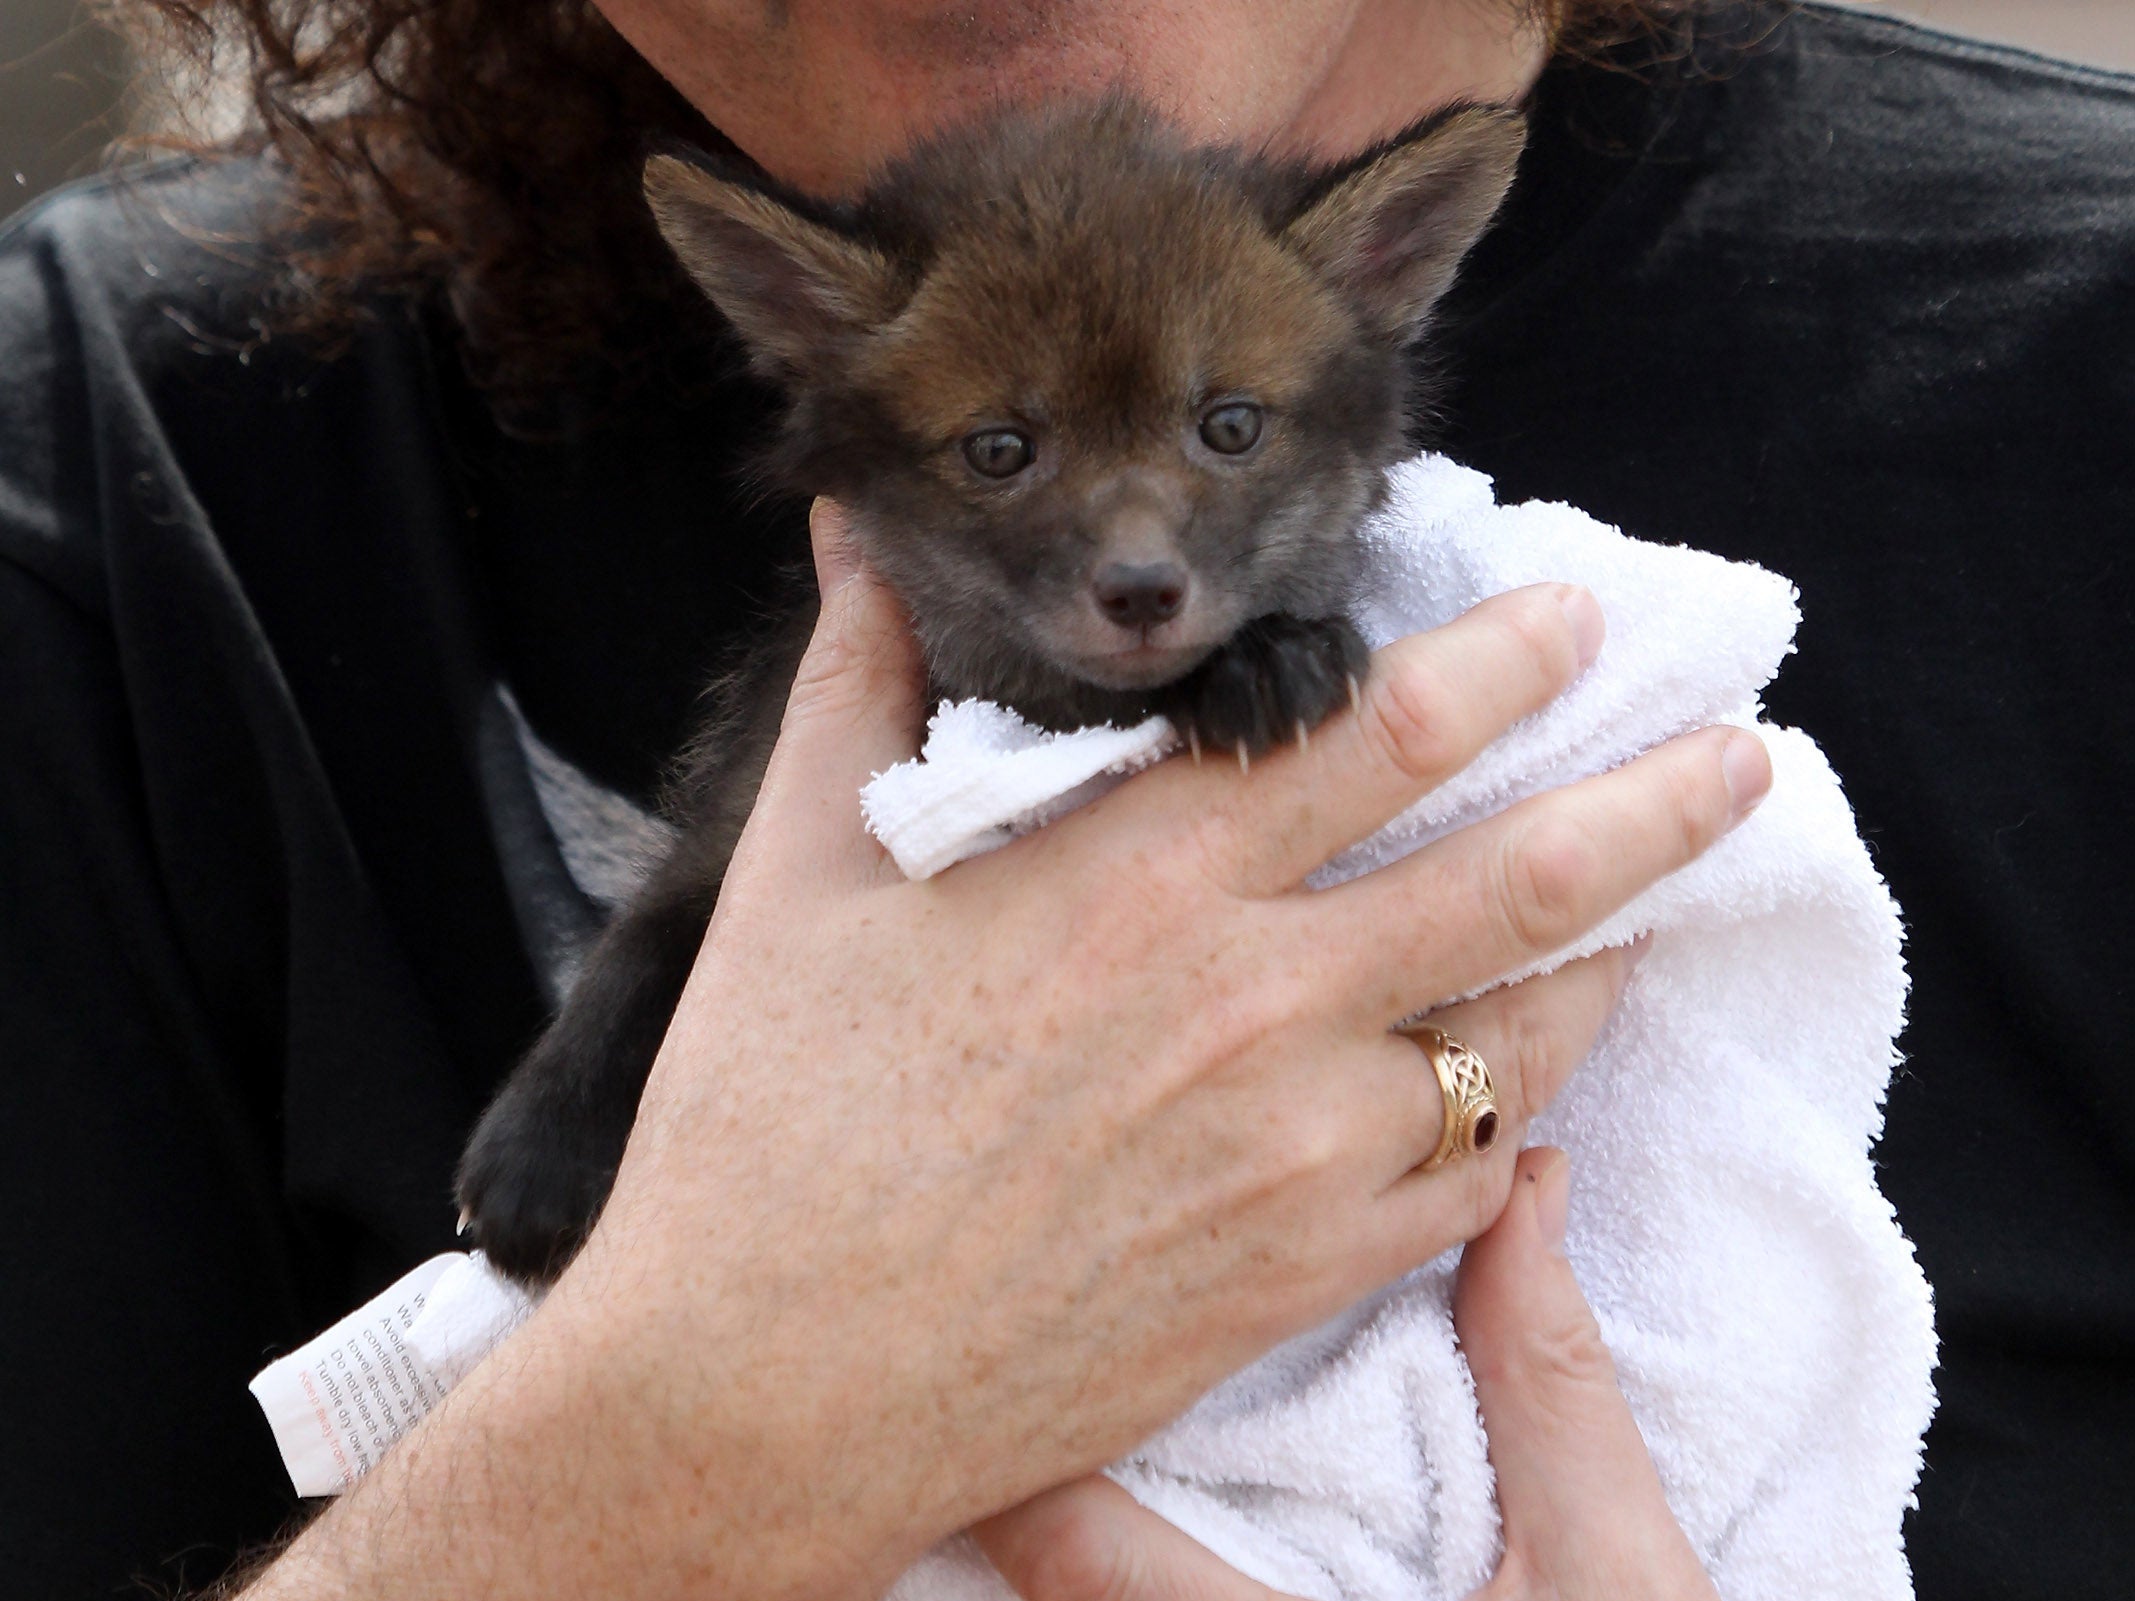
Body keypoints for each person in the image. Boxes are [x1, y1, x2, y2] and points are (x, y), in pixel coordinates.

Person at [0, 0, 2127, 1596]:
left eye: (1220, 433)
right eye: (998, 459)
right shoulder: (126, 452)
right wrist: (660, 1458)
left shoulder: (2074, 353)